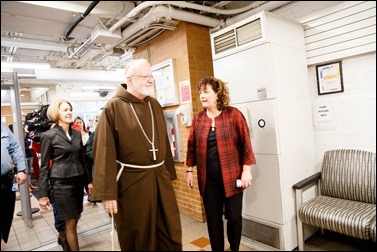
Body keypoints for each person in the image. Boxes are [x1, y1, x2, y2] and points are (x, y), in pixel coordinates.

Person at [91, 58, 182, 251]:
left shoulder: (154, 105)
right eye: (145, 76)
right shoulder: (113, 107)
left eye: (151, 76)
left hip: (159, 178)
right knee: (139, 237)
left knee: (170, 233)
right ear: (130, 79)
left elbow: (163, 142)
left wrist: (167, 175)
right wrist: (108, 194)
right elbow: (104, 152)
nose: (151, 80)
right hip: (131, 184)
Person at [185, 76, 256, 251]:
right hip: (208, 180)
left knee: (234, 218)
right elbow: (191, 146)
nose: (202, 95)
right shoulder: (198, 119)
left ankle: (234, 248)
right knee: (213, 219)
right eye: (200, 92)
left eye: (206, 91)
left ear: (217, 93)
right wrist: (188, 171)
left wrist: (246, 171)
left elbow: (245, 143)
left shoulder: (234, 115)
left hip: (232, 177)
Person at [38, 99, 93, 251]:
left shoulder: (76, 134)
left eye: (70, 109)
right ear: (56, 113)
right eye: (64, 110)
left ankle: (63, 239)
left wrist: (88, 182)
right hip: (61, 184)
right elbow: (43, 167)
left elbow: (82, 160)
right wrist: (42, 195)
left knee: (76, 217)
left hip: (77, 182)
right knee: (71, 222)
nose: (69, 112)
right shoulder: (48, 136)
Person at [1, 121, 28, 251]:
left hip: (6, 180)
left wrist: (21, 169)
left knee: (6, 217)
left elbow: (15, 147)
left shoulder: (2, 126)